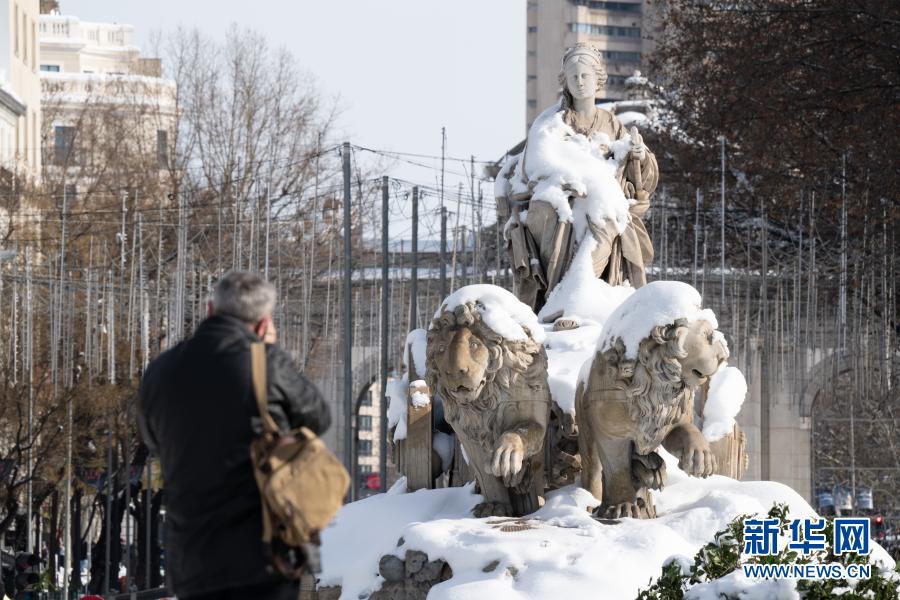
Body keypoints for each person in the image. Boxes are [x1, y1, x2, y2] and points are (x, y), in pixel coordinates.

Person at [138, 271, 331, 600]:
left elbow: (151, 439)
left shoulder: (161, 370)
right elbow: (317, 416)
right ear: (262, 323)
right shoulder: (265, 363)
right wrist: (266, 350)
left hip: (191, 560)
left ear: (211, 308)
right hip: (264, 557)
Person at [500, 43, 659, 313]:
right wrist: (566, 180)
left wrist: (638, 155)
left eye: (585, 75)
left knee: (606, 218)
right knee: (552, 213)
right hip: (558, 199)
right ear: (566, 82)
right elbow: (534, 166)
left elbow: (640, 175)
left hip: (601, 199)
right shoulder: (551, 121)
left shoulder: (613, 123)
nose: (580, 82)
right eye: (574, 76)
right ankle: (557, 297)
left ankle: (575, 296)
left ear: (598, 79)